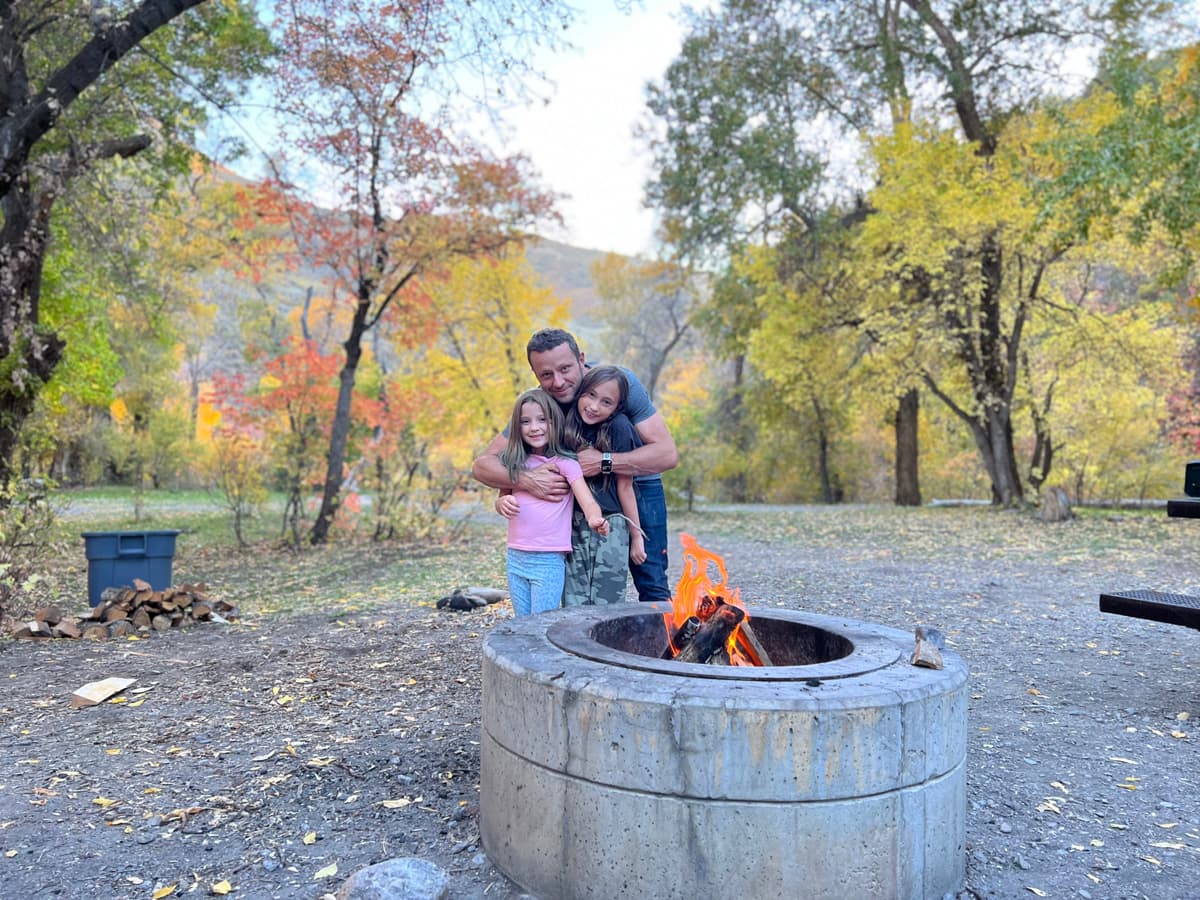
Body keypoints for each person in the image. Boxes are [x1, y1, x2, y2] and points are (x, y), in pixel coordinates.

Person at [472, 328, 678, 602]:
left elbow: (667, 455)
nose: (558, 381)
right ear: (536, 375)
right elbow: (483, 465)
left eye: (565, 368)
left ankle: (668, 643)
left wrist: (606, 462)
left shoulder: (618, 383)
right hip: (580, 496)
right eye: (546, 375)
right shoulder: (540, 406)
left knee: (652, 584)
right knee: (578, 595)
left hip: (636, 485)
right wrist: (527, 480)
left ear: (581, 359)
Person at [494, 388, 609, 616]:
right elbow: (501, 499)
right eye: (525, 421)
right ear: (517, 427)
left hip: (548, 559)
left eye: (542, 420)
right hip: (515, 556)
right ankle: (523, 653)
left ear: (554, 422)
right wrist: (502, 503)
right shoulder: (514, 463)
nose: (534, 427)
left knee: (540, 623)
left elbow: (587, 501)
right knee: (522, 622)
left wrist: (596, 518)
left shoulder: (565, 464)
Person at [561, 366, 646, 605]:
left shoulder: (619, 427)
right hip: (575, 523)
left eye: (606, 402)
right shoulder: (569, 424)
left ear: (616, 408)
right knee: (573, 601)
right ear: (581, 392)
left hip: (613, 525)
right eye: (590, 395)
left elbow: (626, 487)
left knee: (607, 601)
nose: (594, 406)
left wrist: (636, 538)